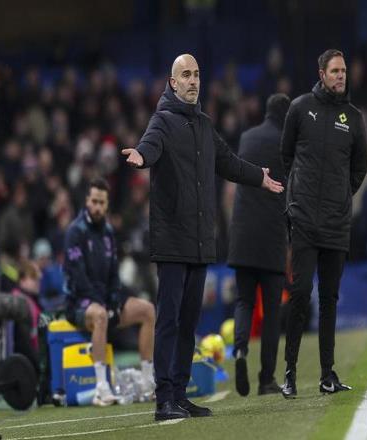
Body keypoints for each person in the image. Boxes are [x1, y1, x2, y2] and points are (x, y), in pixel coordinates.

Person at [122, 54, 283, 420]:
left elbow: (228, 162)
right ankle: (163, 399)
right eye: (186, 75)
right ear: (173, 82)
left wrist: (258, 177)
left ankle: (180, 394)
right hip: (172, 239)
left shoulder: (204, 125)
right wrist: (141, 156)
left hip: (199, 241)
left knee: (189, 322)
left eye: (196, 74)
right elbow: (150, 146)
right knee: (169, 320)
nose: (193, 80)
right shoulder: (162, 121)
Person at [280, 49, 367, 398]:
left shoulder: (354, 118)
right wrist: (299, 195)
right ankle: (289, 373)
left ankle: (327, 374)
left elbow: (359, 168)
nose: (341, 76)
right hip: (303, 220)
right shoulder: (300, 108)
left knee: (330, 298)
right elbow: (287, 156)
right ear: (321, 74)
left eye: (343, 70)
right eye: (335, 71)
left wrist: (340, 197)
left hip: (335, 224)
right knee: (300, 294)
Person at [63, 178, 156, 407]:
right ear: (87, 201)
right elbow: (78, 278)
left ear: (106, 205)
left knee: (147, 310)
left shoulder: (107, 232)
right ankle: (101, 388)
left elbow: (114, 273)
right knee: (100, 315)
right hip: (78, 303)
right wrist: (104, 304)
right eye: (94, 201)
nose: (97, 207)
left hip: (105, 301)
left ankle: (147, 383)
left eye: (101, 203)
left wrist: (114, 299)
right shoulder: (75, 232)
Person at [227, 93, 291, 397]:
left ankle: (240, 350)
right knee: (272, 312)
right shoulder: (287, 143)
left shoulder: (247, 137)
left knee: (244, 301)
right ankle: (266, 379)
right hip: (271, 236)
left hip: (241, 234)